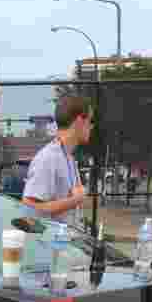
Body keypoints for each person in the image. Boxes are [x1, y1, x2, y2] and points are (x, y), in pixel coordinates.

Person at [22, 95, 93, 226]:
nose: (92, 126)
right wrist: (75, 200)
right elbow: (31, 208)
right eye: (90, 120)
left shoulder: (68, 157)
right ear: (79, 121)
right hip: (52, 244)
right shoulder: (48, 158)